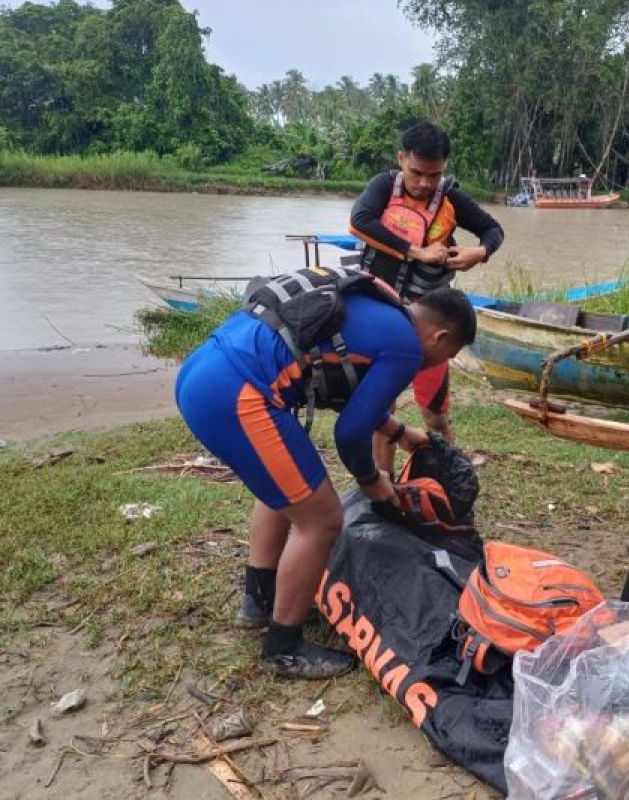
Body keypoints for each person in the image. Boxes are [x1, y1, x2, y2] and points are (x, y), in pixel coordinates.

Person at [175, 274, 477, 679]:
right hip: (239, 391)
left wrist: (400, 435)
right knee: (321, 519)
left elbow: (349, 394)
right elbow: (350, 433)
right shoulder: (406, 346)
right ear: (440, 338)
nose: (441, 363)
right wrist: (373, 482)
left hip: (204, 370)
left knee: (286, 491)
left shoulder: (379, 312)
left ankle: (260, 602)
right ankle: (283, 647)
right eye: (449, 355)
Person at [349, 120, 504, 472]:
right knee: (380, 408)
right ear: (401, 158)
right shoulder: (383, 187)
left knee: (435, 412)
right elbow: (359, 221)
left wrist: (479, 253)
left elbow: (493, 229)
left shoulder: (450, 198)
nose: (423, 183)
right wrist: (416, 252)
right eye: (416, 172)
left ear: (444, 169)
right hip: (380, 313)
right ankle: (382, 487)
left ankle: (450, 479)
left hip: (429, 323)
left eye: (433, 176)